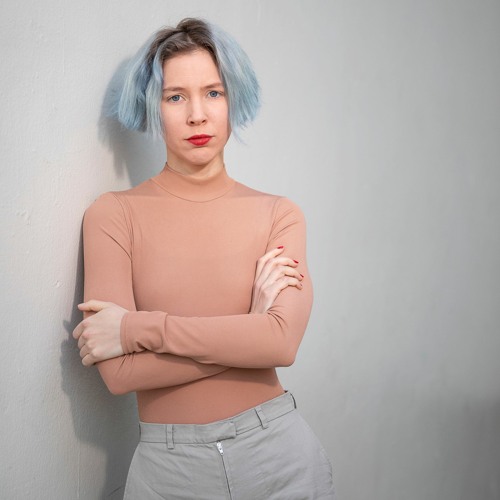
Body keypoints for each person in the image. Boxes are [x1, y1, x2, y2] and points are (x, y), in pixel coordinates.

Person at [73, 18, 335, 499]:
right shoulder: (113, 215)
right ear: (152, 106)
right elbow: (120, 375)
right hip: (168, 471)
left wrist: (136, 329)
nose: (197, 115)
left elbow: (281, 346)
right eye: (176, 97)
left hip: (278, 456)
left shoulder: (279, 215)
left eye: (214, 93)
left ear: (234, 98)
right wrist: (249, 330)